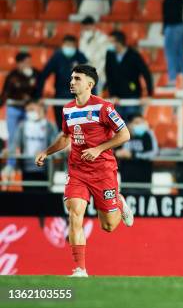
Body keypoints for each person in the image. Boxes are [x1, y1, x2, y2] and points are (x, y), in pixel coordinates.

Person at [34, 65, 134, 277]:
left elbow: (125, 135)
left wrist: (99, 149)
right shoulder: (67, 109)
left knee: (108, 226)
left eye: (77, 78)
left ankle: (118, 201)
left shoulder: (104, 107)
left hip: (103, 170)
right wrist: (47, 152)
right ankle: (80, 269)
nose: (72, 82)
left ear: (90, 84)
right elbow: (64, 137)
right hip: (78, 170)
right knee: (74, 213)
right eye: (71, 78)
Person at [37, 35, 88, 130]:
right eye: (67, 45)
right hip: (60, 95)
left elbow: (89, 78)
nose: (69, 47)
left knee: (77, 128)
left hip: (78, 97)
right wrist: (39, 95)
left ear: (75, 46)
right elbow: (43, 75)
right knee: (61, 128)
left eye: (71, 45)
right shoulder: (57, 57)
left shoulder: (80, 57)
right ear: (63, 45)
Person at [7, 100, 57, 191]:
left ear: (40, 109)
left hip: (44, 169)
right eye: (28, 110)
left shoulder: (50, 126)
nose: (30, 112)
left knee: (43, 195)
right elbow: (14, 144)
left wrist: (45, 154)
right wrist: (12, 156)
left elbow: (56, 147)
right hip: (27, 168)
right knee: (28, 195)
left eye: (32, 109)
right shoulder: (22, 126)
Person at [105, 30, 154, 120]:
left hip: (133, 96)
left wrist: (149, 94)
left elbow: (146, 74)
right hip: (117, 99)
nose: (108, 44)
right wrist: (112, 95)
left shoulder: (134, 55)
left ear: (118, 42)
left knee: (132, 123)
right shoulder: (109, 55)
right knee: (119, 128)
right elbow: (109, 76)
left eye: (110, 42)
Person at [0, 52, 39, 156]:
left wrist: (32, 100)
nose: (28, 65)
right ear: (19, 63)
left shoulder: (35, 74)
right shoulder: (12, 76)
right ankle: (11, 165)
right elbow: (5, 93)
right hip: (13, 109)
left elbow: (38, 91)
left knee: (27, 137)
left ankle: (26, 164)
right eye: (26, 63)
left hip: (28, 110)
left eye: (30, 62)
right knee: (12, 137)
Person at [115, 114, 158, 195]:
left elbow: (154, 153)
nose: (140, 125)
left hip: (144, 182)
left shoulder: (148, 135)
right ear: (129, 125)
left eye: (142, 122)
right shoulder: (122, 135)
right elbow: (113, 150)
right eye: (137, 123)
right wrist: (117, 153)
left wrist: (133, 155)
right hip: (126, 183)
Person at [79, 17, 109, 92]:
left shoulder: (102, 38)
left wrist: (96, 74)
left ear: (93, 25)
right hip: (85, 75)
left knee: (96, 98)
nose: (86, 28)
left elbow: (104, 58)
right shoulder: (82, 38)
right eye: (85, 26)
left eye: (88, 25)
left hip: (99, 74)